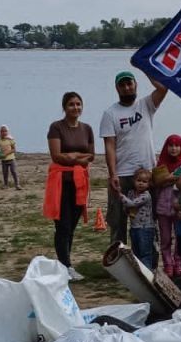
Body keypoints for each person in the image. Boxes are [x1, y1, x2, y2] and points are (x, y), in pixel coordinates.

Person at [101, 71, 168, 245]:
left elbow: (163, 88)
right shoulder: (110, 113)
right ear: (117, 88)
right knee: (118, 221)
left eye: (129, 83)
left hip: (147, 173)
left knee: (149, 218)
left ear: (135, 84)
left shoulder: (146, 104)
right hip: (122, 173)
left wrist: (145, 67)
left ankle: (148, 258)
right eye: (122, 85)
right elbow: (109, 145)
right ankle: (119, 258)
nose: (126, 88)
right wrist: (112, 174)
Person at [45, 91, 94, 280]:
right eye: (71, 104)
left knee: (72, 225)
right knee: (62, 226)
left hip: (80, 182)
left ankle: (64, 264)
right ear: (64, 107)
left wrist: (72, 157)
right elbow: (56, 156)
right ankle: (66, 266)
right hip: (61, 182)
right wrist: (75, 158)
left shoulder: (87, 129)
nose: (75, 107)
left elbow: (90, 156)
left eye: (78, 104)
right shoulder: (56, 127)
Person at [153, 135, 181, 276]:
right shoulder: (160, 164)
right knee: (165, 238)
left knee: (180, 236)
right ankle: (168, 264)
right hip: (163, 206)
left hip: (179, 206)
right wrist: (168, 179)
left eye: (176, 145)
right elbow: (157, 183)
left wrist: (168, 178)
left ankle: (178, 262)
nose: (173, 148)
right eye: (170, 145)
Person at [121, 167, 157, 269]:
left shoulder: (146, 195)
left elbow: (132, 204)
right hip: (134, 227)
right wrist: (126, 208)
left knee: (145, 253)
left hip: (145, 228)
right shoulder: (131, 193)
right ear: (134, 181)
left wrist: (120, 195)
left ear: (148, 184)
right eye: (139, 180)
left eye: (144, 182)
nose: (141, 183)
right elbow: (127, 207)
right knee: (136, 253)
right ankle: (138, 273)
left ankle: (147, 274)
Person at [0, 125, 20, 189]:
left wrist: (6, 153)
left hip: (11, 159)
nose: (4, 132)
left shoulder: (10, 139)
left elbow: (14, 149)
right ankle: (6, 185)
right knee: (5, 173)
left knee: (14, 172)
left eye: (5, 131)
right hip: (3, 160)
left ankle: (17, 185)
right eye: (2, 131)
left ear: (7, 132)